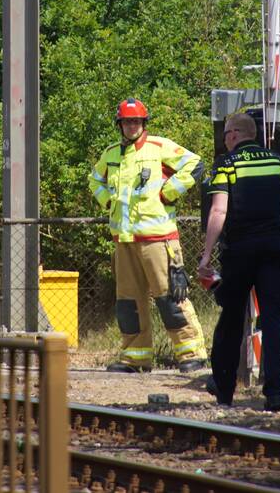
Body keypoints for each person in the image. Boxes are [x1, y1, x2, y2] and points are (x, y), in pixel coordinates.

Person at [89, 97, 208, 373]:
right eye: (127, 122)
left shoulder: (159, 147)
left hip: (158, 239)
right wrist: (107, 200)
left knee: (170, 298)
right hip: (125, 242)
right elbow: (95, 179)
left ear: (144, 123)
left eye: (136, 121)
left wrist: (169, 192)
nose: (132, 126)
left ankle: (191, 354)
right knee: (128, 304)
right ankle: (135, 358)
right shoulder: (111, 154)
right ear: (119, 125)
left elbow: (195, 165)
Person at [197, 111, 280, 412]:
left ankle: (225, 391)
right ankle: (275, 395)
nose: (224, 139)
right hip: (274, 249)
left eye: (226, 133)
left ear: (234, 134)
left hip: (240, 251)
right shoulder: (277, 161)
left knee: (231, 318)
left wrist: (206, 255)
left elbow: (218, 212)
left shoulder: (226, 165)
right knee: (273, 318)